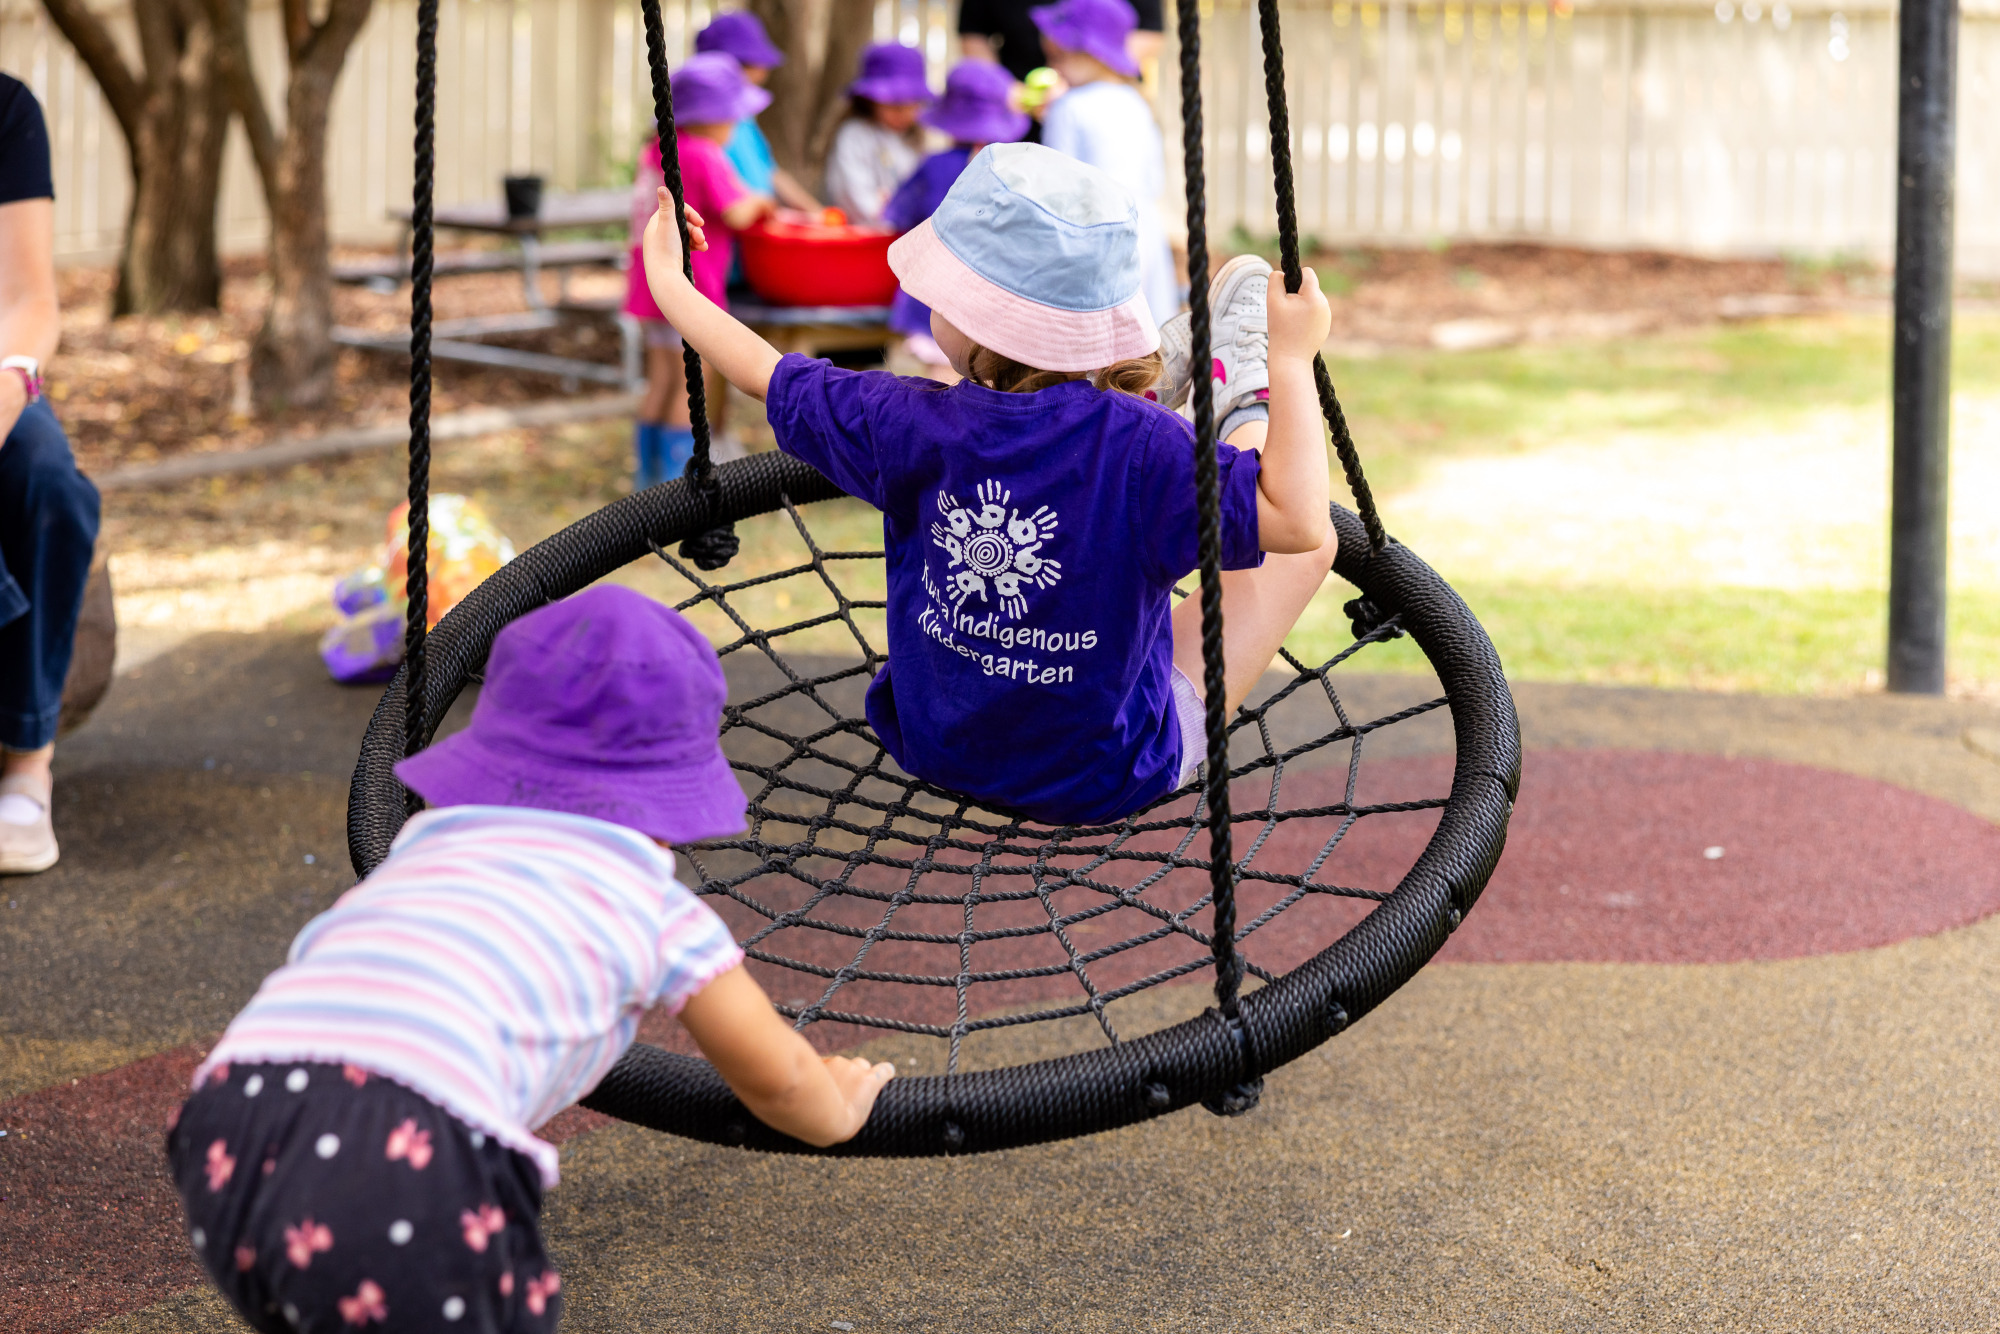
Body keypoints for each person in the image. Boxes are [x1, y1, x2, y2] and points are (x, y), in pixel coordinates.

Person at [167, 585, 896, 1333]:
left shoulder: (426, 846)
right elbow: (776, 1076)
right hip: (403, 1143)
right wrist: (834, 1113)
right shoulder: (649, 904)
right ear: (673, 803)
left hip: (228, 1112)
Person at [642, 143, 1334, 825]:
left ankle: (1186, 392)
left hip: (935, 745)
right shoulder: (1141, 454)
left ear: (968, 319)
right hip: (1104, 775)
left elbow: (763, 370)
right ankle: (1244, 398)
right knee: (1299, 543)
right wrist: (1295, 359)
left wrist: (671, 280)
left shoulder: (903, 420)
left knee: (1167, 484)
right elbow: (1294, 518)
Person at [0, 74, 98, 877]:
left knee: (47, 478)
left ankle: (28, 761)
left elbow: (33, 301)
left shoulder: (6, 110)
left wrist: (10, 383)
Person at [623, 53, 776, 491]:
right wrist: (763, 201)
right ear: (714, 117)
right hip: (691, 290)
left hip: (648, 285)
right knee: (695, 383)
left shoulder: (655, 149)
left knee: (662, 380)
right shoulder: (706, 154)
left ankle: (646, 482)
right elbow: (738, 212)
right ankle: (675, 489)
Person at [1033, 0, 1180, 323]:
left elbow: (1057, 188)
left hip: (1091, 239)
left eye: (1059, 56)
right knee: (1144, 342)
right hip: (1145, 233)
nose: (1054, 67)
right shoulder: (1138, 103)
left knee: (1094, 343)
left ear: (1090, 53)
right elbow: (1154, 180)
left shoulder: (1068, 108)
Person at [883, 61, 1030, 371]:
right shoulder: (1012, 171)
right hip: (991, 294)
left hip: (931, 292)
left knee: (938, 377)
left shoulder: (934, 166)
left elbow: (898, 215)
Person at [693, 12, 820, 212]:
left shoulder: (744, 119)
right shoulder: (704, 127)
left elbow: (770, 172)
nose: (763, 73)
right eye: (748, 64)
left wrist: (815, 211)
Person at [822, 44, 931, 225]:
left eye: (911, 106)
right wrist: (892, 213)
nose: (903, 113)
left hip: (903, 237)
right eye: (895, 105)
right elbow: (854, 197)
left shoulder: (912, 141)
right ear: (870, 100)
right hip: (862, 239)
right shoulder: (854, 135)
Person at [959, 0, 1163, 84]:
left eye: (1058, 57)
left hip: (1098, 84)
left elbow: (1150, 31)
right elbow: (974, 32)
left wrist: (1093, 75)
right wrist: (1008, 92)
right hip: (1019, 108)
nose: (1052, 66)